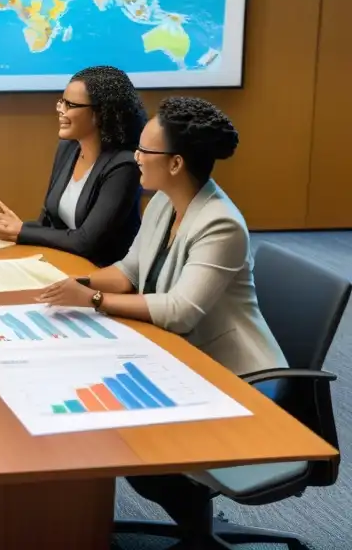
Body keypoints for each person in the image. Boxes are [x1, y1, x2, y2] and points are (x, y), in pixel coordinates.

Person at [34, 97, 287, 535]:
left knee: (134, 443)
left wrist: (91, 301)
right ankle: (190, 521)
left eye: (143, 152)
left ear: (174, 163)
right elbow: (130, 272)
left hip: (235, 379)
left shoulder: (220, 224)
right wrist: (78, 286)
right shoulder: (162, 204)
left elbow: (180, 311)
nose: (134, 159)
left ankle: (194, 529)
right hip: (180, 358)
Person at [0, 65, 146, 266]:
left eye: (70, 105)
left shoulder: (125, 165)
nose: (60, 110)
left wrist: (22, 231)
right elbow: (47, 220)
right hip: (62, 263)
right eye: (61, 102)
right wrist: (19, 229)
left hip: (102, 275)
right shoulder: (68, 148)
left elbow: (86, 242)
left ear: (100, 113)